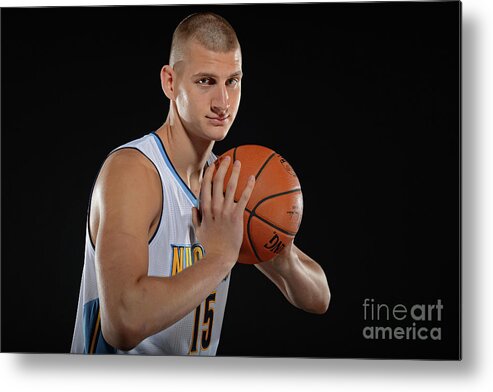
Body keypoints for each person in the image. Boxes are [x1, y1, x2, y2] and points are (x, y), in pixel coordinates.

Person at [71, 12, 330, 355]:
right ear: (170, 82)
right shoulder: (134, 172)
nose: (223, 103)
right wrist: (221, 258)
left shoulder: (225, 180)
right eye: (206, 81)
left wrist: (280, 253)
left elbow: (319, 298)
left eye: (232, 81)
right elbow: (122, 322)